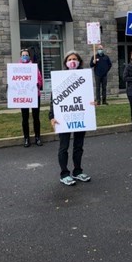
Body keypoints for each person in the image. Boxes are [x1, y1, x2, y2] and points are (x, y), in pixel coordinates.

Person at [49, 50, 92, 186]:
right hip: (64, 118)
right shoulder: (59, 78)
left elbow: (87, 97)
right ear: (66, 62)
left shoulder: (84, 77)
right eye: (69, 59)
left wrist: (91, 104)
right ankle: (64, 174)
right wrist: (52, 117)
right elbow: (54, 100)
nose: (72, 61)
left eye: (75, 59)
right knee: (64, 147)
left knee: (78, 146)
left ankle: (78, 171)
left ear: (79, 62)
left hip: (80, 117)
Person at [20, 49, 44, 147]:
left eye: (26, 55)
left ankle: (37, 137)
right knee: (25, 118)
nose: (25, 56)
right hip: (23, 95)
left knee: (36, 117)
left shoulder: (35, 68)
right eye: (23, 55)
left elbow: (40, 79)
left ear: (29, 56)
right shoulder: (17, 68)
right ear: (20, 57)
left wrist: (38, 84)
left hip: (34, 95)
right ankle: (26, 138)